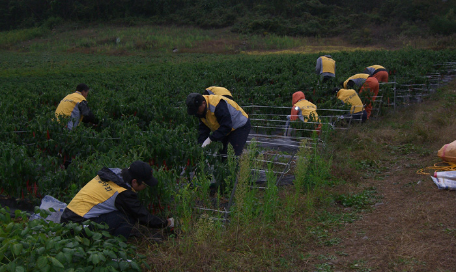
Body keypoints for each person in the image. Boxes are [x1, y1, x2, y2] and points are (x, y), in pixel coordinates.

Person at [60, 161, 173, 240]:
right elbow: (142, 216)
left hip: (67, 219)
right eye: (144, 184)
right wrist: (166, 223)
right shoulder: (122, 192)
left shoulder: (113, 174)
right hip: (77, 228)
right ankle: (117, 254)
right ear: (134, 182)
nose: (145, 187)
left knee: (120, 212)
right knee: (128, 216)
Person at [185, 93, 250, 158]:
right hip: (226, 128)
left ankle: (235, 167)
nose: (196, 112)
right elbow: (203, 130)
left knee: (232, 155)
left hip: (239, 126)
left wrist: (210, 139)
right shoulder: (200, 112)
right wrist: (200, 146)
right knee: (222, 155)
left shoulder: (217, 105)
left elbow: (226, 126)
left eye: (197, 110)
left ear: (204, 103)